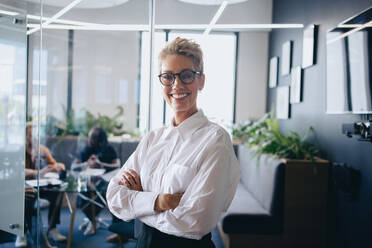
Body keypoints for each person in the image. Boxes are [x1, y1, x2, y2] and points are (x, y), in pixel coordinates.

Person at [107, 37, 240, 248]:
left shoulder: (216, 141)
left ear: (201, 81)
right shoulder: (153, 139)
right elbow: (114, 197)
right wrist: (159, 202)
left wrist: (140, 204)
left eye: (186, 75)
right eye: (168, 77)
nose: (176, 84)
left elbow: (195, 222)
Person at [16, 123, 67, 247]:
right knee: (28, 195)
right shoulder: (19, 149)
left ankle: (52, 228)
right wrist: (38, 172)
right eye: (30, 135)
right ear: (24, 136)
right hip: (24, 185)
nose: (33, 137)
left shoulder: (42, 148)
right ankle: (20, 232)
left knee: (57, 191)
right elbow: (19, 170)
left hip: (40, 184)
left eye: (35, 134)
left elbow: (53, 164)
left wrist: (57, 166)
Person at [74, 126, 120, 235]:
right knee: (81, 196)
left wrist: (101, 164)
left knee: (107, 193)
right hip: (88, 180)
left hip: (105, 180)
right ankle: (92, 220)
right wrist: (86, 164)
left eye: (93, 137)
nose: (90, 140)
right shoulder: (86, 149)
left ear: (100, 139)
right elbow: (74, 165)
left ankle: (114, 229)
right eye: (90, 137)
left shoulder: (109, 149)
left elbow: (117, 164)